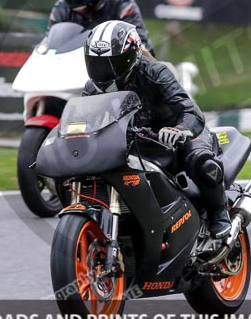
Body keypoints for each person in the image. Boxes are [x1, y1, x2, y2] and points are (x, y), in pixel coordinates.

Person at [82, 19, 231, 239]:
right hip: (134, 142)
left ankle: (219, 213)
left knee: (202, 162)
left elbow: (192, 112)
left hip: (175, 137)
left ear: (131, 56)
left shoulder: (155, 72)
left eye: (113, 62)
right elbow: (84, 121)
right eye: (97, 63)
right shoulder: (92, 88)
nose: (104, 71)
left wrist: (179, 130)